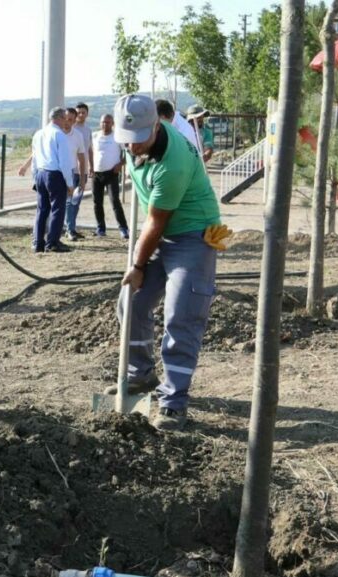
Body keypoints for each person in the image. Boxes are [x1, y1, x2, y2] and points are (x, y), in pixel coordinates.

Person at [109, 94, 221, 432]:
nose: (131, 148)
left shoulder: (173, 162)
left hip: (193, 235)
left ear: (157, 124)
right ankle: (141, 375)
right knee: (131, 302)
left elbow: (156, 223)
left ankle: (173, 402)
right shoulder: (133, 144)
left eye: (138, 140)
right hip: (159, 230)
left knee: (181, 314)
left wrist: (139, 265)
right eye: (125, 141)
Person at [21, 107, 75, 253]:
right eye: (64, 118)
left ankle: (38, 242)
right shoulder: (60, 135)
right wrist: (70, 183)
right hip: (54, 174)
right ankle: (52, 242)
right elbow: (65, 162)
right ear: (59, 118)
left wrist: (35, 176)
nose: (66, 121)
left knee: (42, 209)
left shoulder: (39, 134)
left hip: (40, 173)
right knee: (58, 208)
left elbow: (35, 157)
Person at [91, 113, 130, 239]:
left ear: (112, 124)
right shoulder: (95, 136)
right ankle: (100, 228)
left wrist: (120, 164)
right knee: (97, 202)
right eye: (103, 122)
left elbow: (128, 154)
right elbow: (90, 152)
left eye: (107, 122)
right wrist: (90, 167)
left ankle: (123, 228)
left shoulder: (117, 137)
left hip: (111, 173)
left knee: (115, 201)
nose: (105, 124)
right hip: (97, 174)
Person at [64, 104, 92, 241]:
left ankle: (72, 227)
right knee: (69, 201)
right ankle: (69, 229)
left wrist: (90, 167)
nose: (81, 115)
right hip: (71, 170)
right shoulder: (69, 130)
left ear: (87, 114)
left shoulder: (87, 131)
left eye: (83, 112)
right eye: (78, 112)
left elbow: (88, 150)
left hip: (82, 171)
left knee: (76, 201)